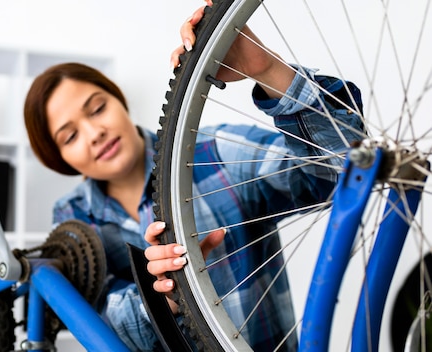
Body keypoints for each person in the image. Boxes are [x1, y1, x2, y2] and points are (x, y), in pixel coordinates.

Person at [23, 6, 365, 351]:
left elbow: (342, 167)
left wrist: (268, 70)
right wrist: (164, 296)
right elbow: (104, 328)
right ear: (59, 159)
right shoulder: (73, 216)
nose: (94, 132)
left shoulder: (215, 154)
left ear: (119, 101)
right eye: (70, 137)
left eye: (97, 108)